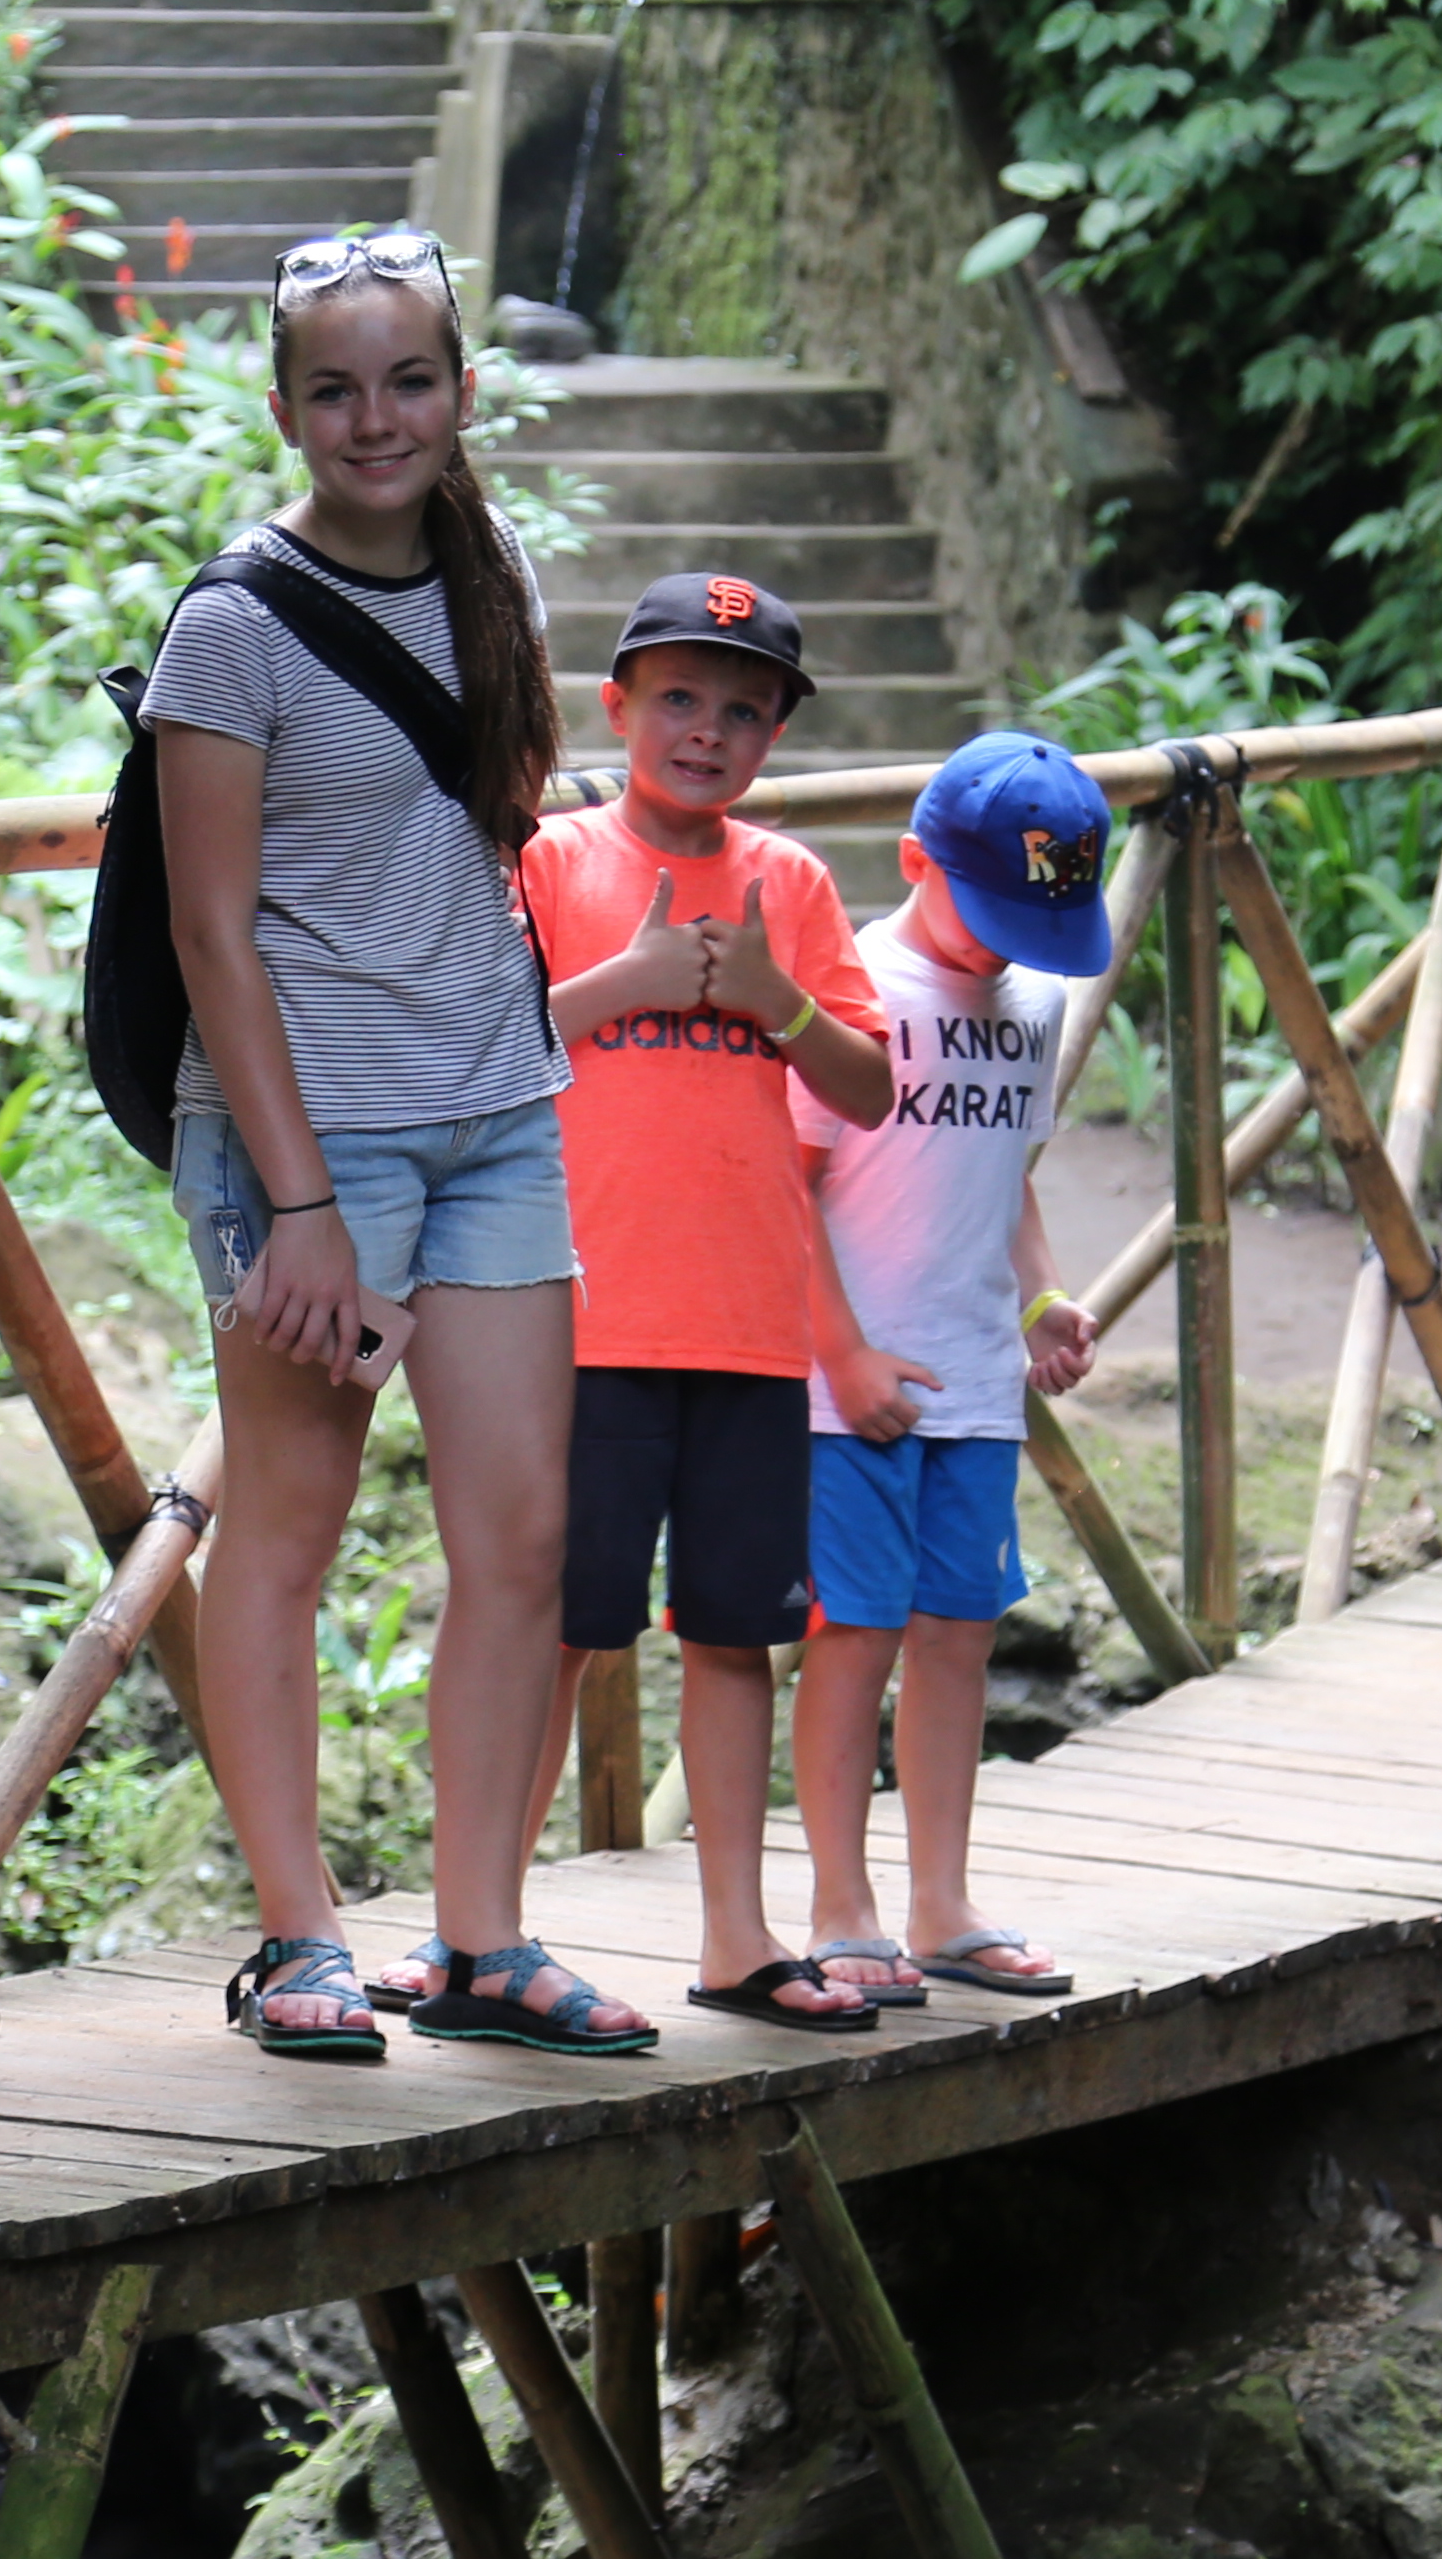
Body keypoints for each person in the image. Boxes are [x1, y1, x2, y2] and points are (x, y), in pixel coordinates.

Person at [146, 228, 654, 2064]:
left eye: (410, 380)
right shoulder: (230, 623)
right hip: (316, 1141)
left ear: (457, 393)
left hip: (497, 1112)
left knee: (523, 1532)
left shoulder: (489, 568)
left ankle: (478, 1934)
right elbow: (212, 934)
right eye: (337, 388)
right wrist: (295, 1211)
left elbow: (490, 818)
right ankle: (297, 1935)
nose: (377, 418)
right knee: (281, 1530)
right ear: (286, 407)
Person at [439, 572, 897, 2031]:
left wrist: (779, 1003)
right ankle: (481, 1930)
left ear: (771, 739)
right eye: (681, 698)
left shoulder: (794, 887)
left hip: (747, 1325)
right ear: (618, 706)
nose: (708, 730)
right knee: (554, 1628)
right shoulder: (549, 862)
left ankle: (738, 1936)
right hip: (574, 1319)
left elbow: (871, 1084)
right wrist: (626, 976)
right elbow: (480, 1042)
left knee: (732, 1634)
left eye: (742, 710)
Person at [790, 730, 1119, 2009]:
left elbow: (1009, 1176)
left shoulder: (1034, 999)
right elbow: (795, 1181)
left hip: (977, 1385)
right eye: (987, 914)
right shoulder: (857, 987)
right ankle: (840, 1904)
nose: (1004, 946)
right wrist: (843, 1352)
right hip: (848, 1390)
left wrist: (1041, 1296)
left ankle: (941, 1900)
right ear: (915, 860)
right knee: (854, 1634)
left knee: (958, 1638)